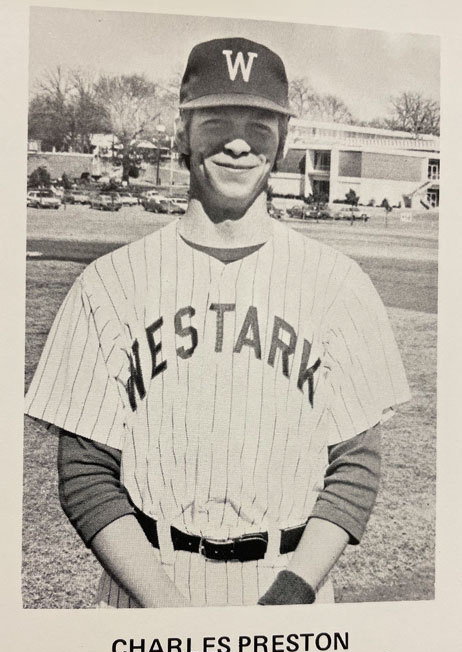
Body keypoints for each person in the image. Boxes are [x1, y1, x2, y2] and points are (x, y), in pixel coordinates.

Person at [24, 37, 410, 608]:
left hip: (290, 586)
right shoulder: (108, 284)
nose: (237, 143)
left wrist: (292, 592)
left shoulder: (338, 284)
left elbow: (355, 467)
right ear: (182, 131)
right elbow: (85, 474)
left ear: (285, 139)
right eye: (215, 120)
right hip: (144, 589)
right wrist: (171, 611)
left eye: (260, 123)